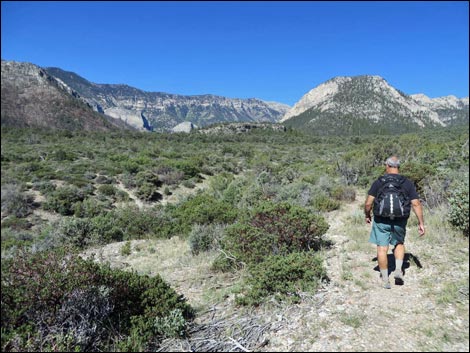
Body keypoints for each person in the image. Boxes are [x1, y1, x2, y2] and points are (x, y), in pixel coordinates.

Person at [364, 156, 425, 289]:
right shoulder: (406, 182)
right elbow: (416, 204)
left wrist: (367, 215)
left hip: (381, 220)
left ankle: (385, 279)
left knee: (382, 248)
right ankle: (398, 270)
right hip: (400, 220)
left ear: (387, 165)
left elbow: (369, 203)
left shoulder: (379, 182)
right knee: (399, 243)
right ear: (398, 167)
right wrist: (421, 223)